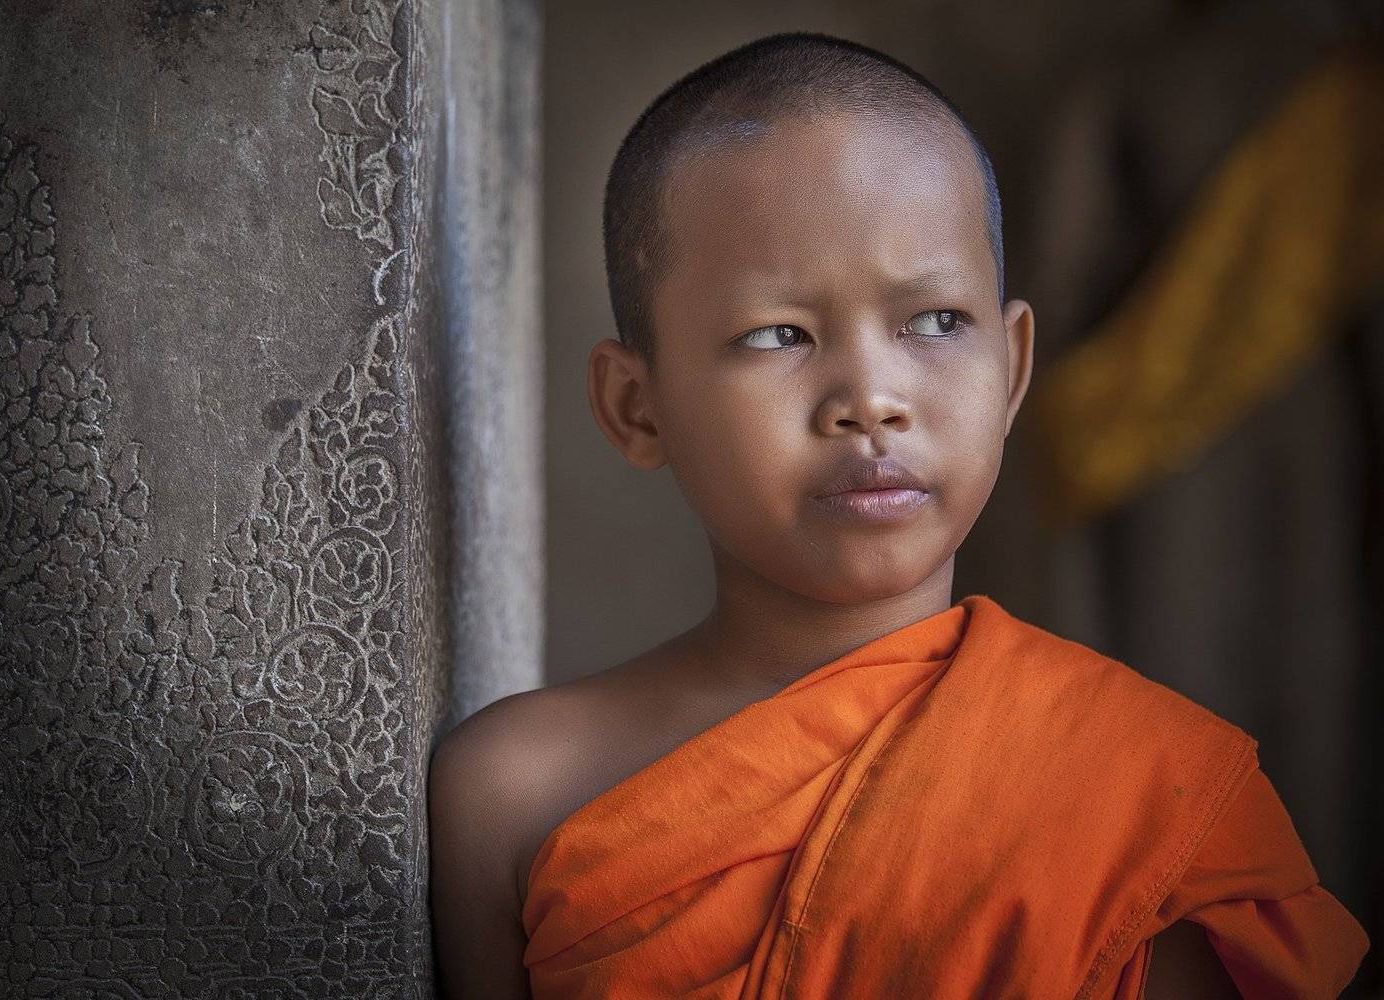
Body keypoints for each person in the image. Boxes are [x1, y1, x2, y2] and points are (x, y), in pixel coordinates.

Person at [427, 30, 1370, 999]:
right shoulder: (515, 794)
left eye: (933, 322)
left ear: (1010, 368)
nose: (870, 397)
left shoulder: (1146, 800)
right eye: (778, 333)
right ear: (636, 405)